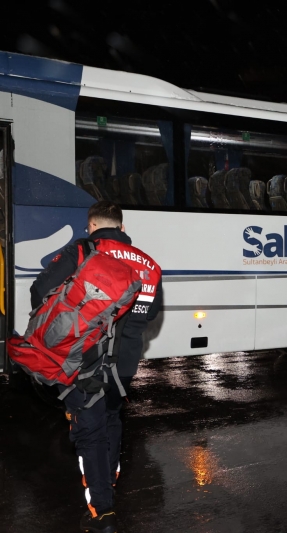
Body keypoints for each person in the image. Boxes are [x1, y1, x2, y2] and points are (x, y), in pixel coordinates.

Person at [31, 201, 163, 533]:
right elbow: (150, 312)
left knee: (89, 435)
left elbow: (39, 290)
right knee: (111, 418)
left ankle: (102, 513)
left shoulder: (83, 250)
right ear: (122, 226)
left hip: (83, 360)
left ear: (91, 226)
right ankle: (110, 475)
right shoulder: (149, 264)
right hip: (125, 364)